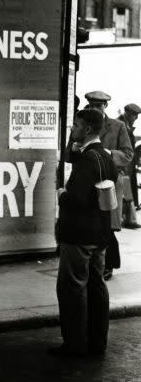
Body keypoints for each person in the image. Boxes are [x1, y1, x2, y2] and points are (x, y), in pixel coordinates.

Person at [51, 108, 117, 357]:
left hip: (78, 236)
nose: (73, 130)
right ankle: (97, 343)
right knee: (96, 287)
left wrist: (61, 194)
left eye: (76, 126)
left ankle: (74, 345)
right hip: (100, 235)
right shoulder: (105, 157)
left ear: (87, 129)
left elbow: (76, 199)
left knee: (72, 290)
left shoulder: (88, 159)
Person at [67, 91, 134, 280]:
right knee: (93, 224)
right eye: (92, 104)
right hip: (87, 181)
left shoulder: (118, 126)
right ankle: (97, 266)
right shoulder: (83, 123)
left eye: (100, 105)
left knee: (108, 226)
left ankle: (109, 265)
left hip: (109, 183)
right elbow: (69, 153)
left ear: (106, 106)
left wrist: (108, 153)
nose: (96, 108)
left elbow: (128, 155)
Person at [118, 103, 141, 222]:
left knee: (127, 192)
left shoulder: (127, 125)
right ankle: (128, 219)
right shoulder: (120, 125)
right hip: (123, 165)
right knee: (125, 192)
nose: (136, 118)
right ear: (127, 113)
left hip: (128, 165)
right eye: (135, 115)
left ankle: (127, 218)